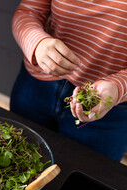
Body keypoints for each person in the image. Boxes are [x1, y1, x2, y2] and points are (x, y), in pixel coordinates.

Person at [11, 0, 127, 162]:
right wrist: (38, 43)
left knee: (84, 179)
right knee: (14, 161)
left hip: (109, 108)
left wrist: (118, 86)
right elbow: (28, 12)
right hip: (37, 86)